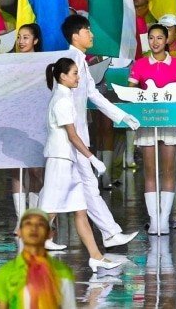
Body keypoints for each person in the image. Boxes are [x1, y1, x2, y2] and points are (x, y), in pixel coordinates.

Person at [60, 14, 140, 248]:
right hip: (71, 135)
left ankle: (110, 233)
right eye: (87, 30)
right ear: (76, 36)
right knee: (66, 187)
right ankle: (38, 232)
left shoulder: (80, 60)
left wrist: (121, 116)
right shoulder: (70, 61)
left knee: (81, 186)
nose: (92, 34)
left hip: (77, 133)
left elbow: (92, 94)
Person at [38, 58, 123, 271]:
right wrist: (92, 158)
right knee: (49, 211)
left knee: (80, 210)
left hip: (69, 160)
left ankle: (95, 256)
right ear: (63, 76)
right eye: (75, 73)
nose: (78, 77)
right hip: (60, 161)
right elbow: (73, 136)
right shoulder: (61, 101)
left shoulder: (64, 97)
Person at [130, 24, 176, 235]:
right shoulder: (140, 64)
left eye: (159, 38)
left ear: (166, 41)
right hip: (148, 122)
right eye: (151, 38)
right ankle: (154, 219)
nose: (155, 42)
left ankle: (165, 218)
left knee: (169, 170)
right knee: (150, 171)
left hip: (170, 122)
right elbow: (131, 91)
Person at [0, 209, 76, 309]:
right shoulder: (6, 272)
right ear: (19, 232)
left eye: (40, 224)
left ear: (50, 234)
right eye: (28, 223)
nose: (34, 228)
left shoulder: (62, 272)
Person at [10, 23, 44, 233]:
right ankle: (20, 219)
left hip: (36, 122)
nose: (21, 41)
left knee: (35, 170)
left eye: (26, 37)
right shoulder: (10, 63)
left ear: (35, 41)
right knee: (16, 170)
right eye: (19, 37)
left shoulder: (43, 64)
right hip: (14, 122)